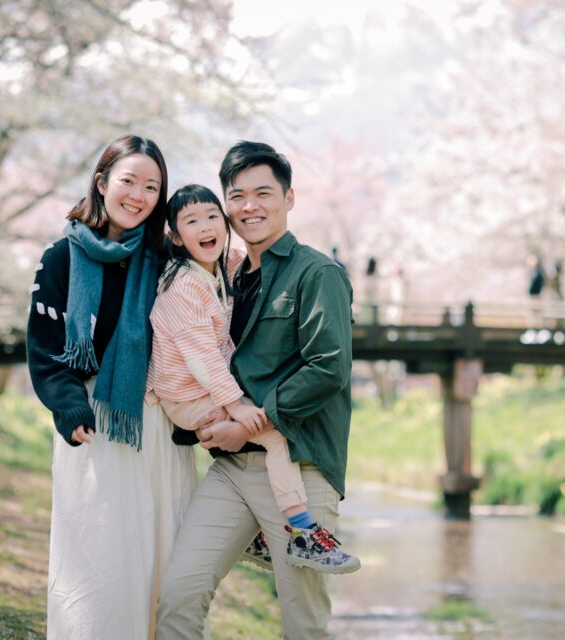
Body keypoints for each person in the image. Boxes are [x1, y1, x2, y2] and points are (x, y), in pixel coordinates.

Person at [157, 141, 358, 639]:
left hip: (301, 467)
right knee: (179, 593)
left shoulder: (318, 273)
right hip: (230, 470)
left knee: (302, 619)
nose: (249, 206)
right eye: (237, 196)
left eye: (263, 193)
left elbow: (327, 368)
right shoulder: (224, 276)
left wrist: (247, 422)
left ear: (289, 198)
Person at [27, 135, 198, 639]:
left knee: (164, 566)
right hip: (96, 426)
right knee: (101, 565)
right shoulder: (61, 257)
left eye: (152, 186)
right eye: (128, 181)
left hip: (160, 429)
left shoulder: (170, 261)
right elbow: (46, 349)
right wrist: (69, 408)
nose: (138, 195)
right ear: (102, 183)